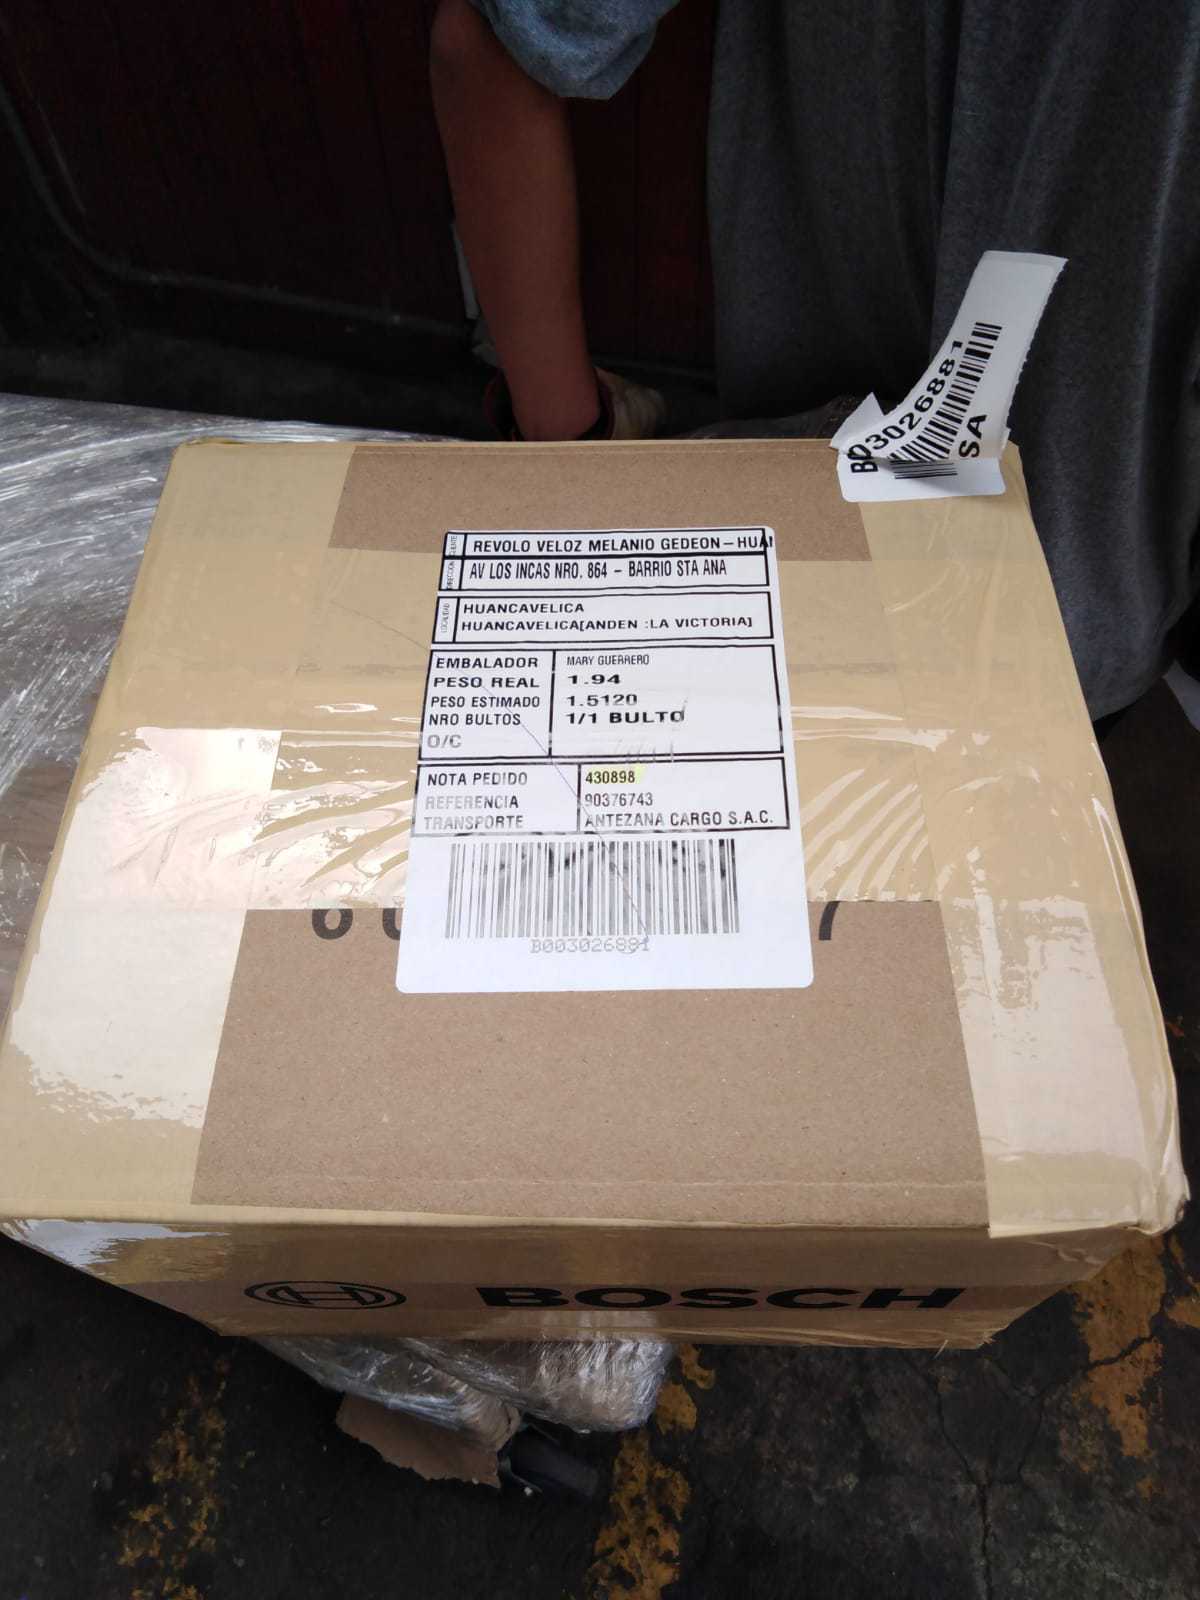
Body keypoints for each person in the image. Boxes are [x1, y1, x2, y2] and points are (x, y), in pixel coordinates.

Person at [430, 0, 1200, 722]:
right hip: (1069, 625)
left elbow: (489, 45)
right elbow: (491, 45)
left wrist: (571, 451)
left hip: (782, 564)